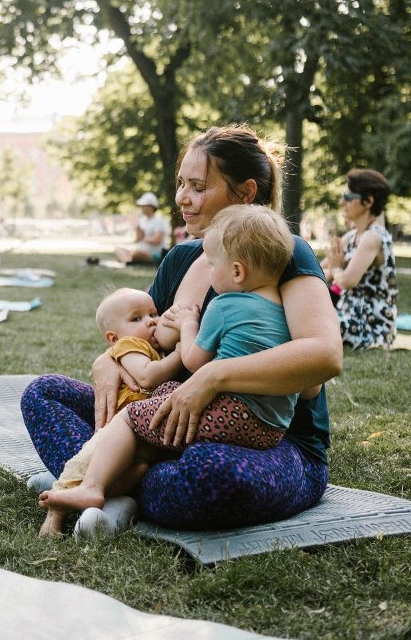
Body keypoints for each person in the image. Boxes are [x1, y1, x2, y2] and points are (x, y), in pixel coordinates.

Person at [20, 124, 342, 530]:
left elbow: (324, 356)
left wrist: (210, 377)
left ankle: (95, 481)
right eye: (180, 184)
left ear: (245, 193)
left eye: (198, 187)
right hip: (165, 428)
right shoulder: (181, 258)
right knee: (44, 394)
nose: (181, 199)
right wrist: (109, 358)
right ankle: (106, 483)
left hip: (269, 443)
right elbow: (140, 334)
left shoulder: (282, 254)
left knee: (210, 474)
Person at [39, 206, 298, 533]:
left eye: (212, 264)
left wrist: (189, 324)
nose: (209, 272)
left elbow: (194, 361)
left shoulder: (223, 305)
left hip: (230, 415)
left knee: (131, 416)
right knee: (163, 395)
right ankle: (112, 481)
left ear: (236, 272)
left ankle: (90, 486)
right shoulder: (286, 310)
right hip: (270, 428)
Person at [38, 287, 181, 536]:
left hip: (144, 444)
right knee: (85, 460)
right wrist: (182, 353)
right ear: (113, 338)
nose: (152, 321)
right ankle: (56, 512)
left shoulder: (152, 349)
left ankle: (78, 492)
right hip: (118, 432)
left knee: (133, 474)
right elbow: (148, 376)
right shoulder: (130, 346)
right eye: (137, 319)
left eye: (153, 313)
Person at [323, 169, 398, 350]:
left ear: (368, 201)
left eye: (348, 197)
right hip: (348, 316)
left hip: (372, 327)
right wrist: (334, 269)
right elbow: (317, 273)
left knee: (314, 324)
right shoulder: (352, 236)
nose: (342, 202)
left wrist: (334, 270)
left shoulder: (373, 237)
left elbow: (348, 280)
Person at [114, 192, 169, 265]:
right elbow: (138, 239)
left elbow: (157, 240)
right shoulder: (142, 220)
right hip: (140, 251)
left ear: (151, 206)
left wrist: (143, 237)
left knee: (138, 253)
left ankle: (127, 260)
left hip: (153, 254)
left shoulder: (159, 220)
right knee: (118, 249)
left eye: (143, 206)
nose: (141, 208)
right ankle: (129, 260)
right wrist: (137, 232)